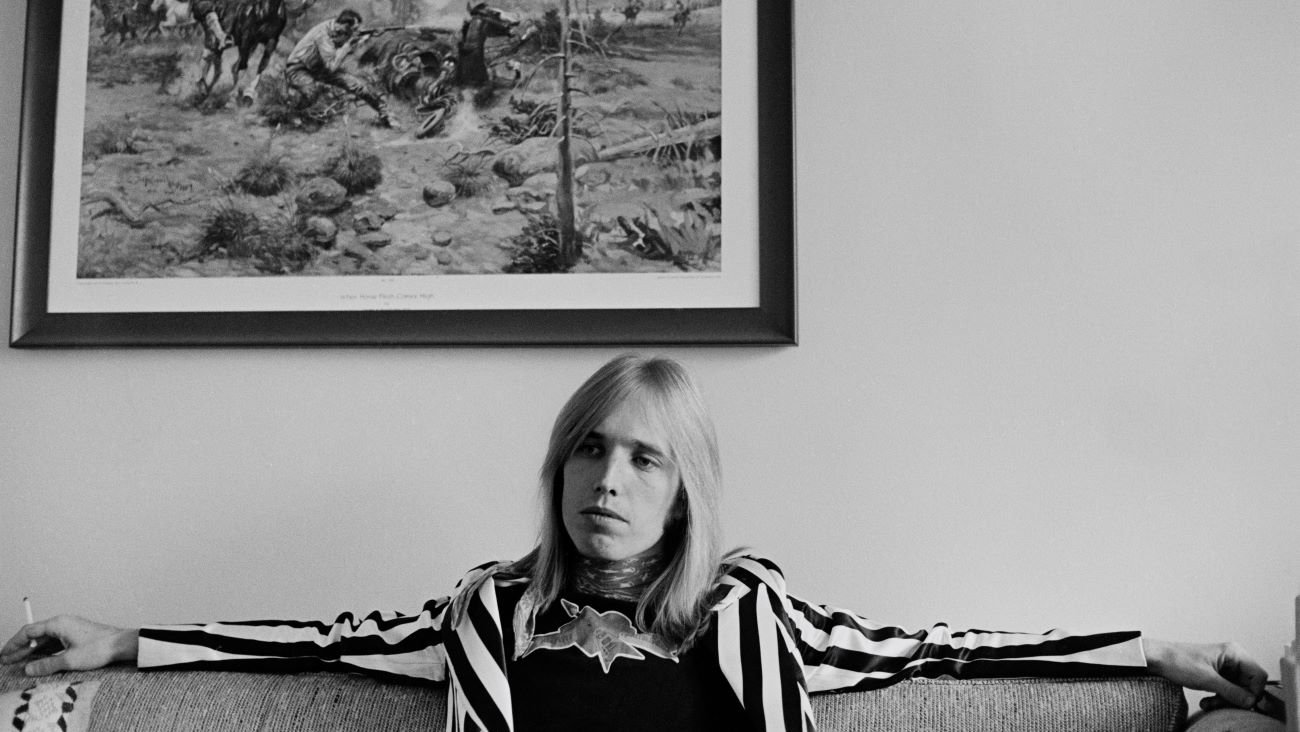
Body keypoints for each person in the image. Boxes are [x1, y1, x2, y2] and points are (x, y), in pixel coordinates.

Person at [0, 355, 1274, 731]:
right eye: (588, 449)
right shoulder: (484, 615)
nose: (609, 479)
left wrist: (1158, 650)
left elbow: (938, 650)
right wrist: (121, 637)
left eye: (644, 457)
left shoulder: (750, 615)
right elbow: (315, 644)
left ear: (683, 490)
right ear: (557, 468)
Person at [283, 8, 394, 127]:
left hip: (319, 67)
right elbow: (332, 66)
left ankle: (385, 113)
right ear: (343, 26)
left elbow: (349, 42)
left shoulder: (339, 28)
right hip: (299, 68)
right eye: (352, 29)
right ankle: (291, 114)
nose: (354, 32)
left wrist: (370, 35)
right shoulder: (323, 36)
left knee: (357, 85)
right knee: (311, 91)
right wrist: (347, 46)